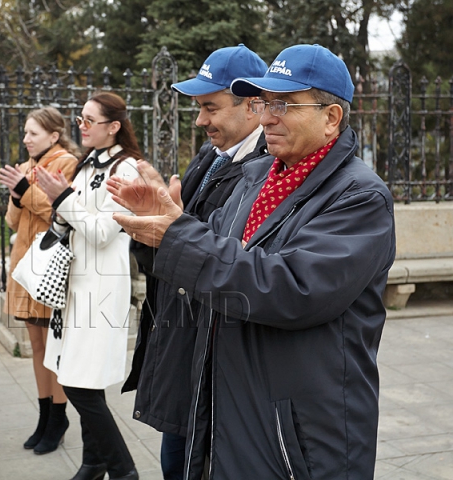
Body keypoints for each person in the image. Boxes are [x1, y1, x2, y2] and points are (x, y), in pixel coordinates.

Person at [111, 44, 395, 479]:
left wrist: (176, 234)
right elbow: (214, 258)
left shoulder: (359, 196)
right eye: (264, 103)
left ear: (331, 118)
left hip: (300, 439)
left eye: (284, 104)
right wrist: (161, 227)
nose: (266, 118)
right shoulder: (258, 177)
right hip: (235, 413)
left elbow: (289, 289)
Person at [115, 44, 268, 480]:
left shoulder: (268, 172)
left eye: (210, 107)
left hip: (217, 361)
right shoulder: (211, 158)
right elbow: (175, 251)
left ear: (254, 105)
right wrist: (151, 230)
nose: (200, 120)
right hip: (182, 348)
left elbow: (242, 269)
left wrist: (173, 232)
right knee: (175, 463)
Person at [36, 92, 141, 480]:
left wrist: (62, 199)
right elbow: (72, 225)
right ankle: (93, 463)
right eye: (79, 118)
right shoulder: (85, 165)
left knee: (80, 384)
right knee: (81, 379)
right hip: (73, 286)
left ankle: (123, 469)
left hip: (101, 289)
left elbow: (101, 232)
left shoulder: (127, 170)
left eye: (89, 120)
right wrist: (59, 207)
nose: (80, 126)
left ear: (113, 126)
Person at [0, 107, 79, 454]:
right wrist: (17, 195)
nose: (26, 139)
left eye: (33, 133)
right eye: (26, 134)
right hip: (28, 269)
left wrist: (24, 191)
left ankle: (58, 418)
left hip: (51, 270)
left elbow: (61, 213)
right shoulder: (27, 168)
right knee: (37, 347)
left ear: (54, 136)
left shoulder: (67, 164)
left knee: (54, 351)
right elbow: (12, 222)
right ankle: (45, 415)